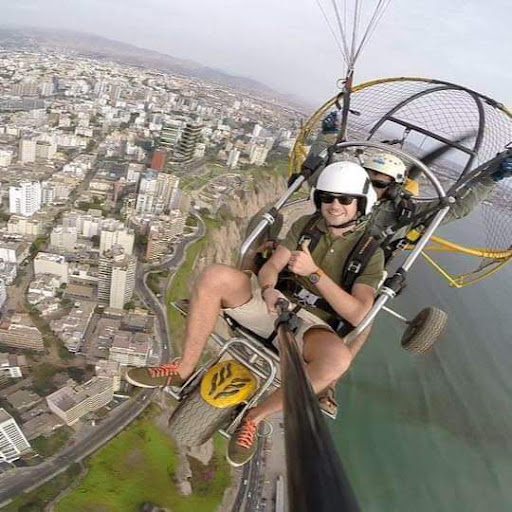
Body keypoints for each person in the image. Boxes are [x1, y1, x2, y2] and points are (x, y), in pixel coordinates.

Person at [126, 161, 384, 467]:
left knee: (338, 360)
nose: (335, 206)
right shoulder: (306, 226)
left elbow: (357, 314)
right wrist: (268, 289)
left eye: (345, 199)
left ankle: (255, 416)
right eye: (328, 198)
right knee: (214, 275)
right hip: (271, 306)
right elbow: (274, 266)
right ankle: (182, 368)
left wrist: (314, 274)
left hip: (311, 327)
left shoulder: (370, 253)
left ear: (361, 203)